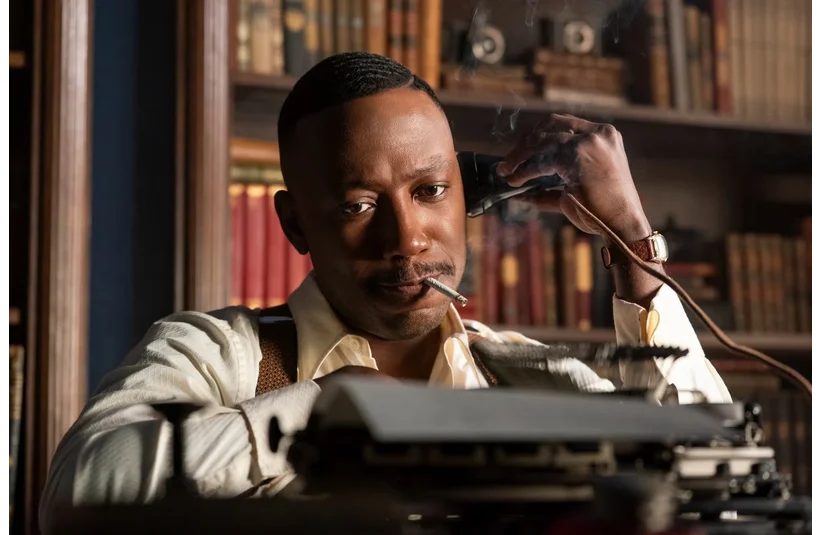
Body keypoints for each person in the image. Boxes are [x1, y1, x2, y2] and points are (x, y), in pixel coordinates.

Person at [39, 52, 731, 531]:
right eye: (359, 205)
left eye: (431, 191)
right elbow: (79, 492)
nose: (407, 239)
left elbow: (718, 488)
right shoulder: (216, 352)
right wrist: (331, 410)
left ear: (468, 196)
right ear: (295, 223)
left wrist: (630, 239)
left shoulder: (530, 374)